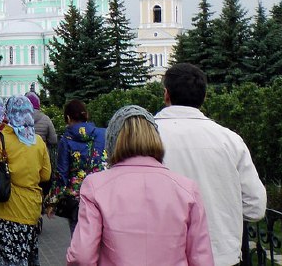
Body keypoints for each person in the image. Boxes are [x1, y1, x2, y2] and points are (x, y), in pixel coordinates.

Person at [66, 105, 214, 266]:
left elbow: (82, 256)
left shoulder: (95, 186)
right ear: (155, 137)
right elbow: (202, 259)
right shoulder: (187, 188)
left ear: (112, 141)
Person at [156, 63, 266, 266]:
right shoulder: (230, 140)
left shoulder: (146, 137)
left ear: (166, 95)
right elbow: (255, 207)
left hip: (163, 254)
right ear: (204, 97)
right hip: (221, 255)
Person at [0, 96, 51, 266]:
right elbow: (45, 175)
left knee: (7, 260)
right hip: (31, 211)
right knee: (26, 258)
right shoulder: (38, 142)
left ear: (8, 113)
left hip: (3, 210)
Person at [47, 99, 106, 234]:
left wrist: (52, 202)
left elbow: (62, 174)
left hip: (77, 201)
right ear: (86, 115)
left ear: (68, 118)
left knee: (79, 241)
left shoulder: (66, 140)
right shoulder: (102, 134)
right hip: (100, 195)